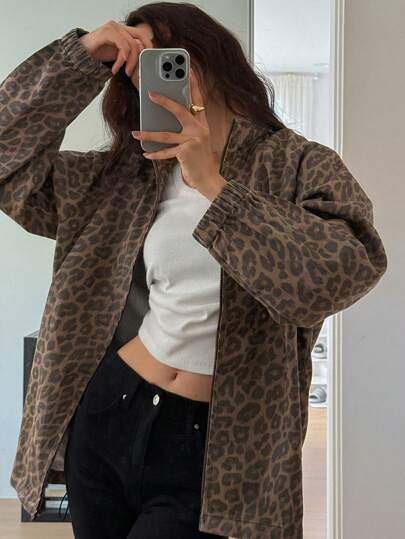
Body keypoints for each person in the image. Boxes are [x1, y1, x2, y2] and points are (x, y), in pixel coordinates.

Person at [1, 2, 387, 539]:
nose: (153, 75)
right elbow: (7, 165)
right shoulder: (123, 176)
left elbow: (341, 273)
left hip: (221, 450)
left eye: (167, 57)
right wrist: (80, 59)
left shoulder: (300, 164)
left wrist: (214, 186)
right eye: (136, 64)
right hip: (110, 413)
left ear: (208, 55)